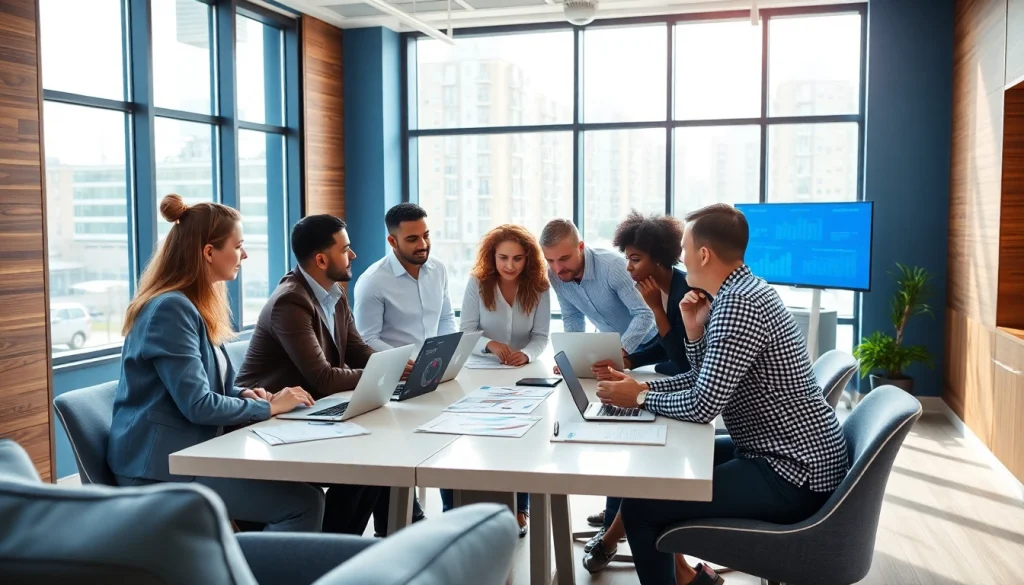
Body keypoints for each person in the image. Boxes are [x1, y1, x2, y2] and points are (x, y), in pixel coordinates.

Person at [595, 203, 849, 585]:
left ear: (703, 253)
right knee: (655, 476)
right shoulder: (741, 292)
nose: (679, 256)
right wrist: (688, 339)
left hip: (792, 474)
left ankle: (685, 579)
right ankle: (688, 579)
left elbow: (702, 406)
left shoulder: (738, 304)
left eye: (683, 247)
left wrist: (640, 399)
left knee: (641, 509)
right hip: (783, 454)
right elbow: (704, 379)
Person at [107, 194, 324, 532]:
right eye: (238, 246)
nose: (245, 254)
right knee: (304, 504)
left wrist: (245, 396)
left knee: (307, 491)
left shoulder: (191, 307)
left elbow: (205, 388)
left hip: (188, 454)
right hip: (158, 469)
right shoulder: (171, 309)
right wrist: (270, 409)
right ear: (209, 252)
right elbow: (197, 405)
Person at [235, 214, 413, 535]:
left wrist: (393, 365)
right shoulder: (290, 302)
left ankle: (345, 545)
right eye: (345, 249)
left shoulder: (334, 294)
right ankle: (330, 548)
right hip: (269, 425)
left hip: (309, 414)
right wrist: (385, 372)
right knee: (367, 464)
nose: (353, 255)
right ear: (321, 259)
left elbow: (358, 350)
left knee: (380, 456)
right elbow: (324, 378)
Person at [582, 210, 697, 572]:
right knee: (633, 437)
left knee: (644, 443)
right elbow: (663, 349)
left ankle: (616, 532)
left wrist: (656, 313)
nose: (629, 268)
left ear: (659, 257)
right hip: (675, 382)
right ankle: (617, 525)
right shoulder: (663, 288)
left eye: (635, 259)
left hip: (692, 392)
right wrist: (628, 361)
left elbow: (683, 360)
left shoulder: (684, 292)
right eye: (628, 258)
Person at [353, 202, 453, 532]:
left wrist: (447, 353)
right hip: (395, 382)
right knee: (398, 449)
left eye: (426, 235)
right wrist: (403, 362)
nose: (422, 244)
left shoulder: (437, 269)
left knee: (452, 438)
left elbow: (444, 318)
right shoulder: (373, 282)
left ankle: (453, 516)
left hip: (434, 374)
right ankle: (398, 522)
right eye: (412, 239)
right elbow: (366, 340)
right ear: (392, 241)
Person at [456, 224, 552, 537]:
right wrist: (491, 345)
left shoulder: (540, 287)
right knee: (485, 439)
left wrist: (525, 355)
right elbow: (467, 330)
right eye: (503, 258)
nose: (510, 265)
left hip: (522, 374)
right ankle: (474, 511)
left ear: (528, 260)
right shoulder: (477, 283)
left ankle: (521, 507)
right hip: (480, 371)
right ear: (492, 257)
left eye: (517, 258)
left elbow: (540, 336)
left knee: (522, 439)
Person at [539, 218, 655, 357]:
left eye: (564, 258)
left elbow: (645, 314)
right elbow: (573, 316)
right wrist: (572, 356)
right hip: (611, 348)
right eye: (550, 260)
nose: (557, 269)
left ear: (580, 247)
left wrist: (619, 353)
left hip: (652, 345)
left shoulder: (613, 267)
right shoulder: (554, 275)